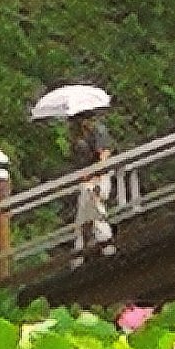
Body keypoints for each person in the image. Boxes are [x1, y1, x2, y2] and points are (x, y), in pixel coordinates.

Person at [67, 110, 115, 269]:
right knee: (89, 212)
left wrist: (96, 176)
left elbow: (105, 155)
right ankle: (105, 245)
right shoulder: (76, 140)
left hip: (99, 179)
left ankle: (80, 255)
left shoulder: (98, 131)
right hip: (85, 182)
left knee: (91, 204)